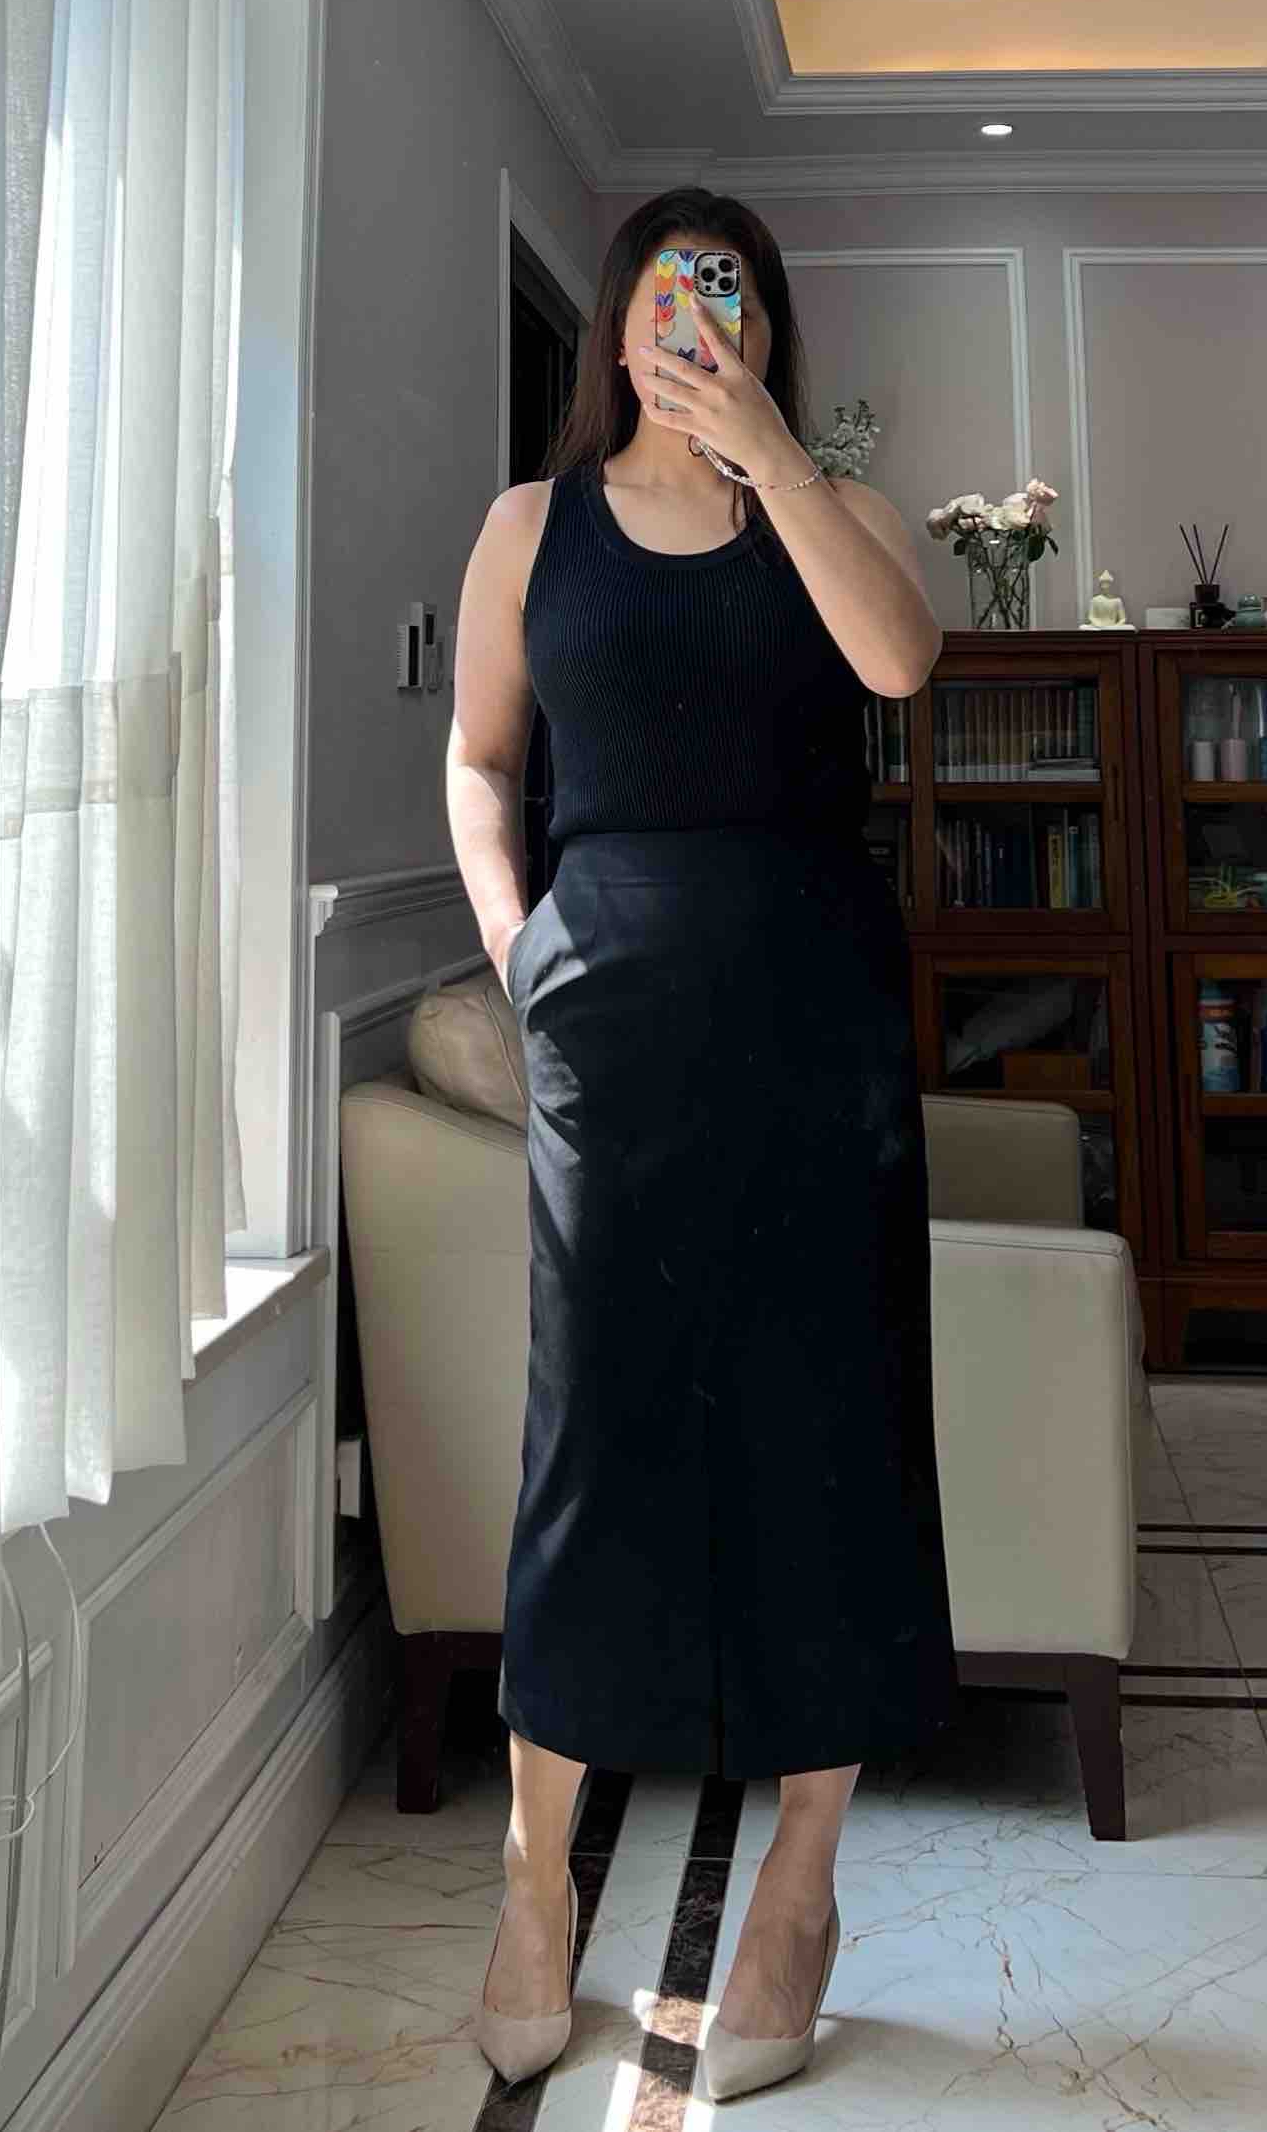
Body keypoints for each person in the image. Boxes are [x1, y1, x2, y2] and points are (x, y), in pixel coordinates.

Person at [446, 188, 958, 2099]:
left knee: (832, 1435)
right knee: (592, 1443)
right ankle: (534, 1879)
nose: (696, 323)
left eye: (727, 296)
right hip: (610, 1034)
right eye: (669, 294)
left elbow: (900, 663)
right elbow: (481, 760)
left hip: (820, 1034)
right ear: (617, 324)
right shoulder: (533, 528)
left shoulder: (840, 509)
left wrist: (773, 460)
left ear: (765, 327)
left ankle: (801, 1891)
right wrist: (521, 945)